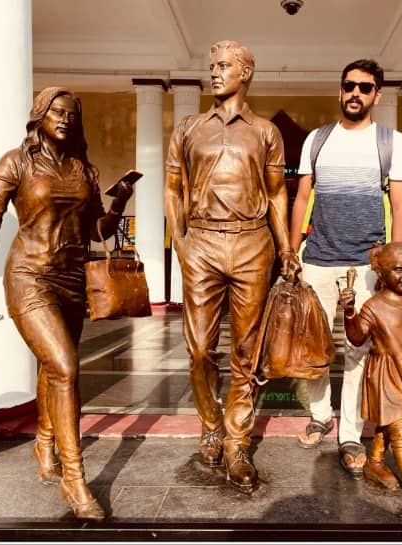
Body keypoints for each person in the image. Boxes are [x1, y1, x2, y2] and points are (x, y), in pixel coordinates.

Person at [0, 87, 134, 519]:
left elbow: (98, 231)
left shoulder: (84, 169)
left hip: (71, 279)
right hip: (29, 275)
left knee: (53, 367)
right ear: (39, 115)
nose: (64, 119)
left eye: (70, 114)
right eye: (56, 111)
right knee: (66, 366)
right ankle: (76, 480)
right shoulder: (16, 162)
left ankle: (46, 442)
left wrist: (118, 200)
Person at [163, 40, 298, 494]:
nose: (215, 73)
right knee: (200, 349)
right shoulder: (188, 127)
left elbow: (278, 192)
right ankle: (210, 425)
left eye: (224, 66)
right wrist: (180, 240)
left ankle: (237, 441)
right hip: (200, 240)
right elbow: (171, 186)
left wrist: (287, 249)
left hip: (252, 243)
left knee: (246, 349)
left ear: (246, 72)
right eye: (212, 65)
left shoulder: (265, 132)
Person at [290, 58, 402, 480]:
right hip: (317, 258)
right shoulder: (317, 140)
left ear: (377, 94)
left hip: (365, 265)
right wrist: (292, 252)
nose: (355, 94)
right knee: (315, 347)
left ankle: (350, 434)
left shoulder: (390, 141)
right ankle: (321, 414)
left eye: (364, 87)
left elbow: (400, 205)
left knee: (358, 353)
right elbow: (303, 198)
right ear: (340, 91)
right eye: (349, 86)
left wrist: (390, 259)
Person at [339, 242, 402, 513]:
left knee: (390, 422)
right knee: (401, 433)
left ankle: (374, 461)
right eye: (398, 270)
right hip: (385, 374)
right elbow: (356, 336)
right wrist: (349, 312)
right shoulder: (373, 306)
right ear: (382, 273)